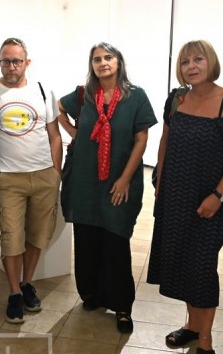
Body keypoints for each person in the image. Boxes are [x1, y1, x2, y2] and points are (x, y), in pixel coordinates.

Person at [148, 40, 223, 354]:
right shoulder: (177, 98)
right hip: (175, 193)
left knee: (202, 264)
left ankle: (205, 339)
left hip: (211, 198)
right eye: (185, 62)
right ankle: (192, 326)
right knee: (182, 259)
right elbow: (166, 140)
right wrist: (160, 180)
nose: (191, 66)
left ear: (211, 63)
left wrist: (218, 196)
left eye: (198, 59)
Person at [58, 42, 156, 334]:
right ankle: (92, 296)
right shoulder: (85, 95)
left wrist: (125, 178)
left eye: (108, 57)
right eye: (96, 59)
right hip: (85, 181)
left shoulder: (136, 96)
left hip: (119, 181)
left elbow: (141, 139)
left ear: (118, 62)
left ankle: (122, 306)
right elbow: (57, 109)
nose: (102, 63)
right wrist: (76, 133)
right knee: (87, 240)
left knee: (116, 242)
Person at [0, 37, 62, 324]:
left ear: (27, 62)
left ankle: (27, 284)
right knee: (11, 237)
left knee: (37, 235)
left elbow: (54, 136)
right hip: (9, 177)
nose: (11, 66)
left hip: (44, 174)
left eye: (16, 61)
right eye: (6, 61)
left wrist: (56, 172)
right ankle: (14, 292)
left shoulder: (43, 90)